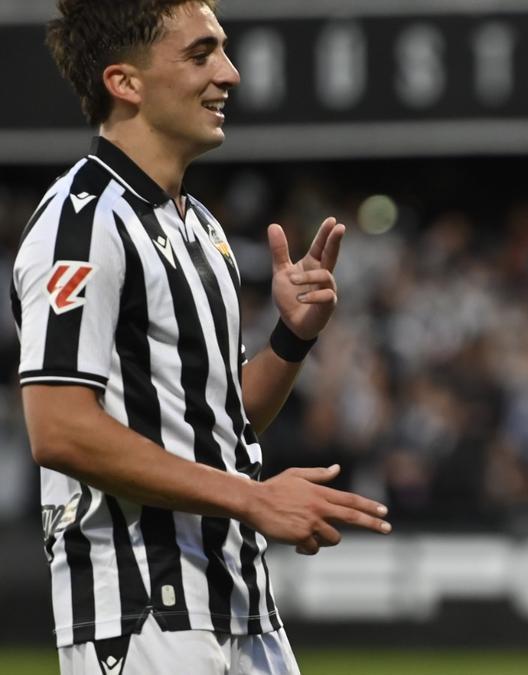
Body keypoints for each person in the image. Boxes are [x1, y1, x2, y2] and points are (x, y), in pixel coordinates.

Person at [13, 1, 391, 672]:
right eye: (200, 54)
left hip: (239, 597)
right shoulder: (81, 225)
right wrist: (254, 496)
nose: (231, 73)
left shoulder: (201, 228)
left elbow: (220, 420)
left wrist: (291, 341)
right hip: (142, 607)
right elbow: (59, 429)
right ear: (124, 82)